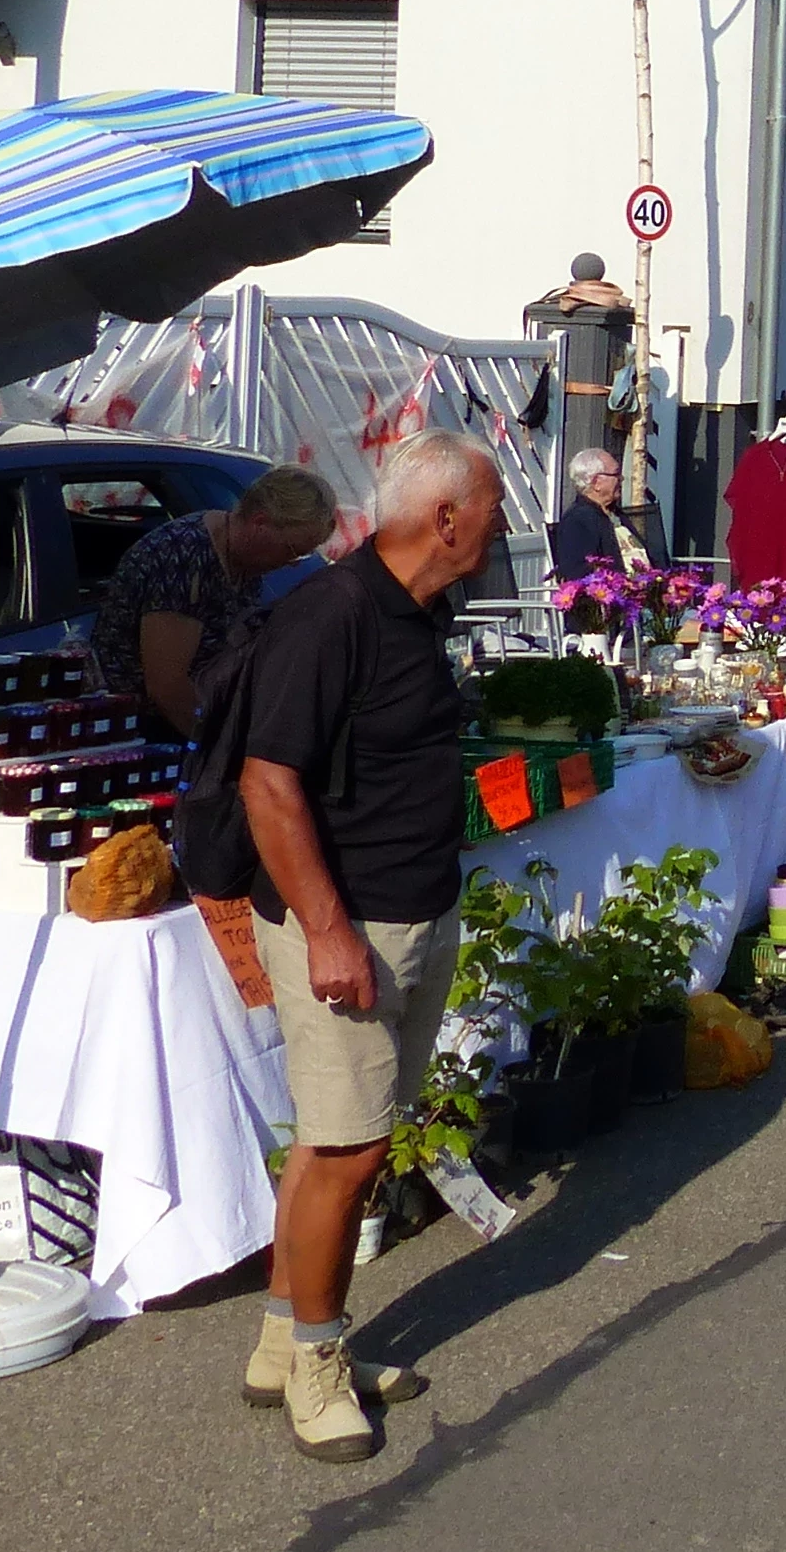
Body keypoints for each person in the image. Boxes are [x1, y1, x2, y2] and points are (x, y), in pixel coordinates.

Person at [227, 428, 504, 1463]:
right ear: (445, 518)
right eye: (491, 507)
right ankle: (316, 1361)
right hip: (344, 924)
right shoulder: (331, 615)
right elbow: (268, 783)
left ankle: (277, 1339)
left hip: (408, 907)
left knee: (334, 1141)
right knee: (348, 1155)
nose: (503, 525)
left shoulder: (412, 612)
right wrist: (332, 932)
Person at [89, 465, 335, 742]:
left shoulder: (241, 558)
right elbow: (167, 688)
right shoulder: (184, 558)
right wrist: (224, 753)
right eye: (292, 551)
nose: (291, 564)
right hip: (136, 736)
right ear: (260, 522)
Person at [545, 447, 662, 584]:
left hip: (651, 592)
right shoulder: (578, 520)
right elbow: (579, 575)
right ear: (596, 483)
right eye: (616, 474)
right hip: (620, 598)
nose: (621, 479)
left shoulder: (614, 514)